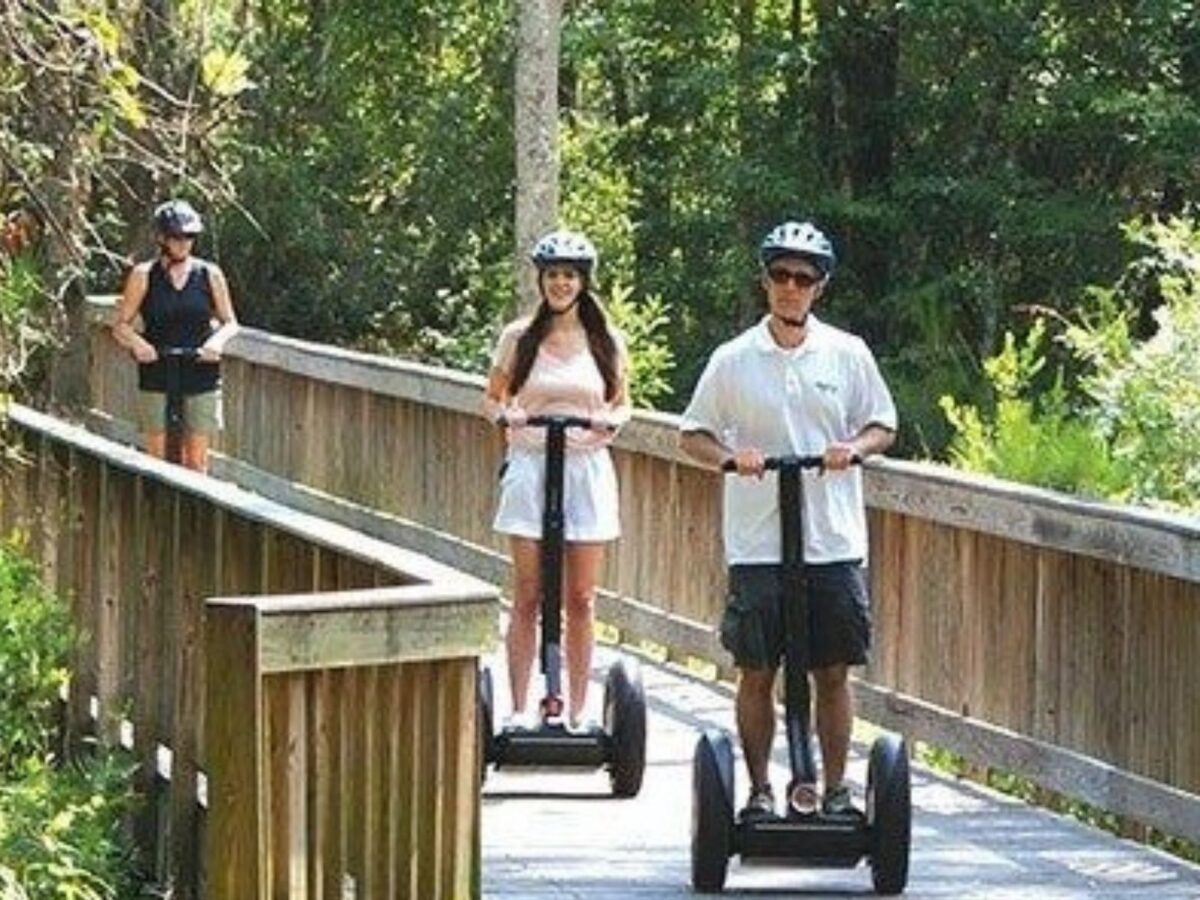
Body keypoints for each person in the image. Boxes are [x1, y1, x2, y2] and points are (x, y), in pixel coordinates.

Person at [678, 219, 897, 820]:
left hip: (832, 541)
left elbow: (883, 423)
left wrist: (853, 448)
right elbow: (691, 433)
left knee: (833, 672)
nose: (790, 287)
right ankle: (758, 791)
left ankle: (834, 790)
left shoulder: (848, 354)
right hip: (758, 542)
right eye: (780, 275)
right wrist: (729, 457)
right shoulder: (734, 359)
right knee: (756, 672)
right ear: (765, 280)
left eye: (803, 278)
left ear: (819, 287)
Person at [483, 229, 631, 729]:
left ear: (583, 282)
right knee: (528, 593)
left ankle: (577, 710)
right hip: (530, 465)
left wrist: (612, 422)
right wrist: (508, 417)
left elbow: (622, 402)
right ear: (541, 281)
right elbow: (492, 398)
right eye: (553, 275)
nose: (561, 284)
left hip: (585, 469)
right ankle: (521, 708)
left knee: (581, 598)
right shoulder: (519, 338)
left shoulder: (605, 340)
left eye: (570, 275)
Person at [111, 199, 239, 473]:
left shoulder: (209, 274)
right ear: (162, 238)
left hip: (199, 370)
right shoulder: (144, 275)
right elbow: (121, 325)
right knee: (155, 455)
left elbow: (230, 322)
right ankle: (156, 508)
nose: (184, 243)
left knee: (196, 458)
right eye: (177, 237)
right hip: (158, 369)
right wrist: (139, 344)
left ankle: (196, 512)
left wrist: (216, 342)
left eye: (190, 237)